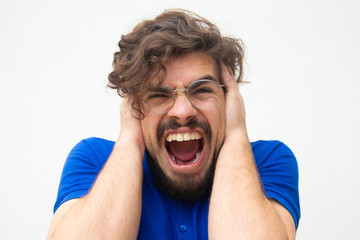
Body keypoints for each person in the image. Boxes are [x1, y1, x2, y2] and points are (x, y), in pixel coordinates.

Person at [47, 9, 300, 240]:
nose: (182, 112)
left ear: (227, 100)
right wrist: (129, 141)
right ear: (135, 108)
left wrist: (235, 133)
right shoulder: (94, 160)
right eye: (158, 94)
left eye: (202, 90)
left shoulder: (267, 162)